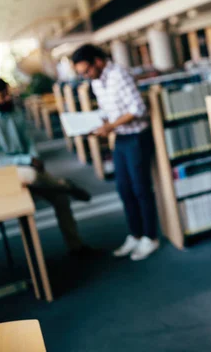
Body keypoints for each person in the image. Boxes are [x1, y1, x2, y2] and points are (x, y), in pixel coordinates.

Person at [0, 77, 95, 257]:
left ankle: (76, 247)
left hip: (24, 166)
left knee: (60, 199)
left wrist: (33, 156)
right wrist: (28, 160)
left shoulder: (13, 112)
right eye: (2, 95)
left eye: (8, 93)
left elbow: (28, 139)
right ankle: (64, 184)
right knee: (31, 175)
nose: (7, 98)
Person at [72, 44, 160, 261]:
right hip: (120, 137)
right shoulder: (96, 82)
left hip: (137, 137)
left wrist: (110, 126)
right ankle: (136, 234)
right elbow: (109, 111)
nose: (85, 76)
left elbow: (137, 109)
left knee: (141, 189)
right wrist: (97, 124)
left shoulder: (119, 75)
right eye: (81, 73)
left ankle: (150, 237)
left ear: (99, 61)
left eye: (87, 71)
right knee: (123, 189)